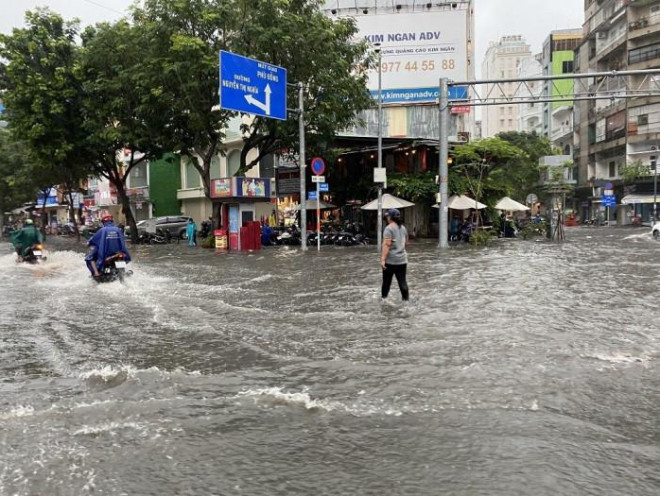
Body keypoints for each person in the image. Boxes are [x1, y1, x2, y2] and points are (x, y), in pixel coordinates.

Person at [380, 209, 409, 301]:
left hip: (391, 261)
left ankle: (384, 300)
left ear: (390, 217)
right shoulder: (403, 228)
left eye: (388, 216)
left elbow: (386, 245)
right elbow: (406, 243)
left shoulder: (388, 228)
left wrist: (383, 259)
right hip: (402, 260)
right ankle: (406, 300)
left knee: (386, 283)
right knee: (402, 282)